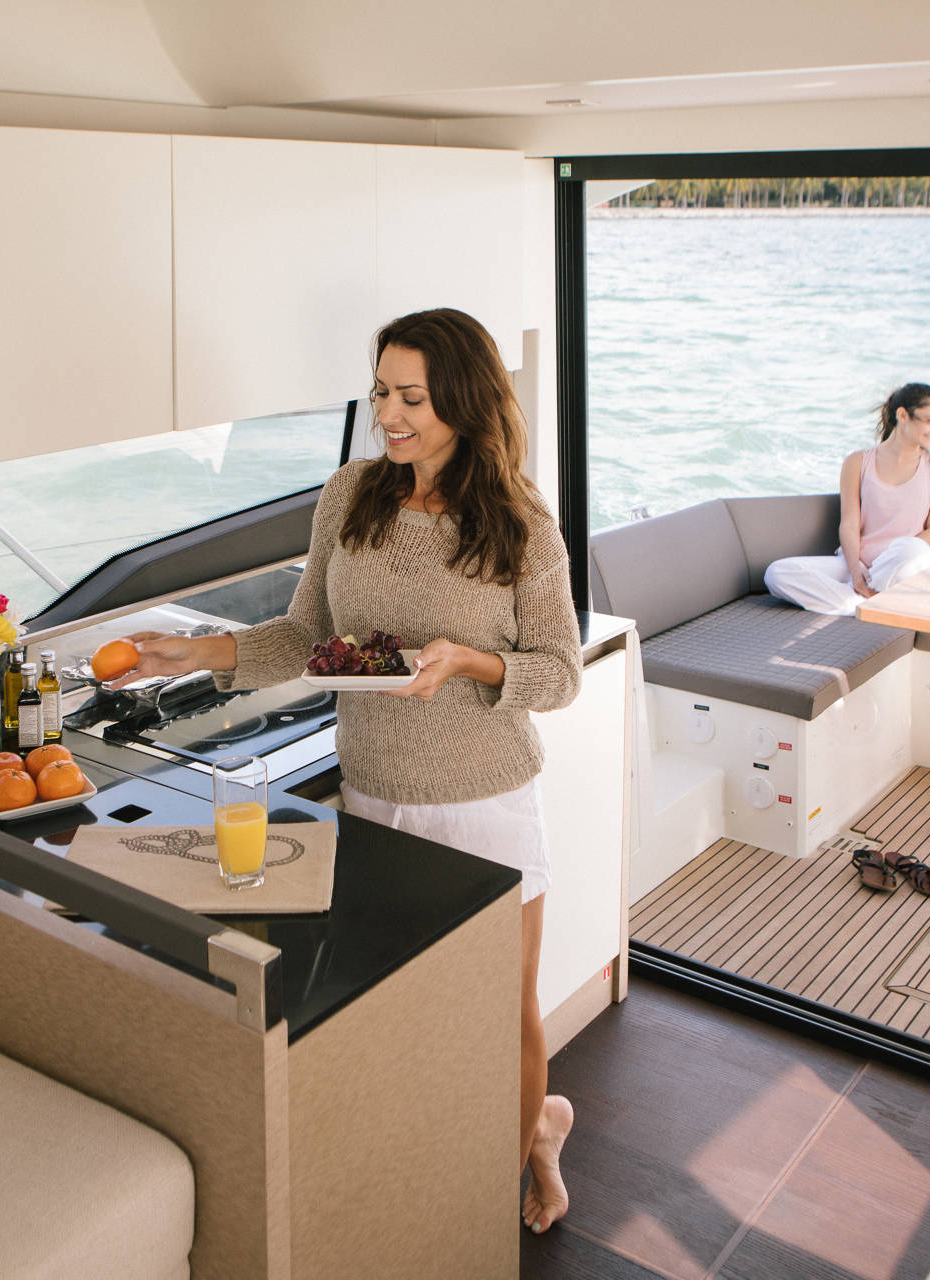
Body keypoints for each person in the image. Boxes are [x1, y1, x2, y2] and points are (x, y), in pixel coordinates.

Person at [106, 308, 584, 1233]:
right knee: (405, 1006)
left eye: (412, 398)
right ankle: (512, 1131)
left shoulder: (521, 524)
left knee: (502, 1009)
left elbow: (560, 673)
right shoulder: (350, 495)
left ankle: (504, 1180)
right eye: (380, 393)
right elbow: (307, 637)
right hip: (371, 795)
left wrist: (471, 662)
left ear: (464, 403)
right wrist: (195, 655)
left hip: (485, 800)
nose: (388, 416)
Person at [763, 382, 930, 615]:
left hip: (904, 564)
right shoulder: (857, 462)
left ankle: (863, 598)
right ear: (903, 415)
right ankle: (862, 604)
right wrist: (855, 570)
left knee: (914, 549)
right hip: (860, 562)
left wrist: (888, 560)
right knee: (777, 573)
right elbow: (850, 523)